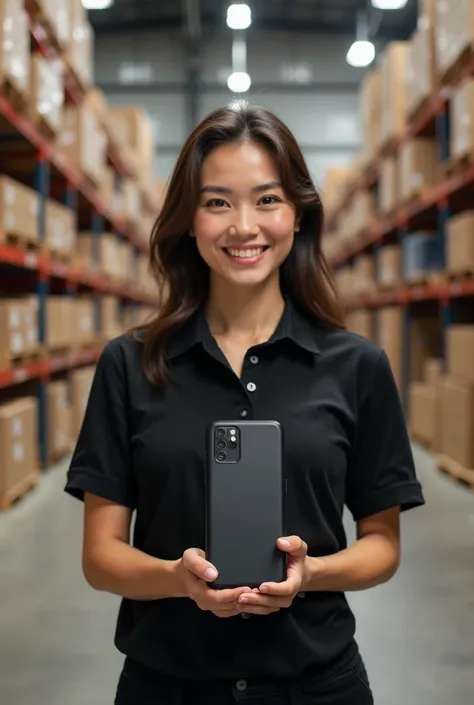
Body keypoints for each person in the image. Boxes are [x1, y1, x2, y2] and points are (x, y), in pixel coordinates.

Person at [65, 102, 425, 705]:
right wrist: (178, 581)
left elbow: (382, 546)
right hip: (167, 687)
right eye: (217, 202)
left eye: (267, 199)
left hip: (317, 686)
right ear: (187, 220)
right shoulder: (130, 365)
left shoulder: (357, 366)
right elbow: (101, 558)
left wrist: (312, 573)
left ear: (298, 216)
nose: (243, 226)